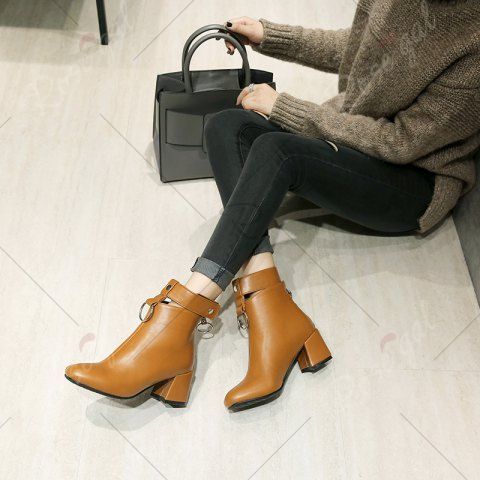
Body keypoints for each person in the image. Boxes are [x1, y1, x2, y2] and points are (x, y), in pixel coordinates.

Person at [65, 0, 480, 412]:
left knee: (279, 152)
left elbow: (402, 142)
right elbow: (360, 50)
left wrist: (285, 108)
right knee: (226, 125)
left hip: (413, 181)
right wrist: (271, 36)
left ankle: (177, 320)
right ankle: (272, 311)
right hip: (355, 140)